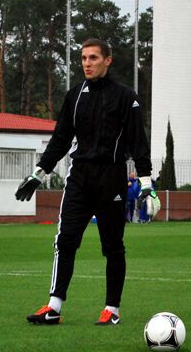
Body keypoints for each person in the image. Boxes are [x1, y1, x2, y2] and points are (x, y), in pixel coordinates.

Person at [17, 39, 161, 326]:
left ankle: (112, 309)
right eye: (83, 58)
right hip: (79, 178)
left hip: (111, 179)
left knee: (112, 247)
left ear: (108, 60)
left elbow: (138, 143)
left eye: (93, 57)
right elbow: (60, 140)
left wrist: (147, 184)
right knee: (65, 240)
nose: (87, 63)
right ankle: (54, 307)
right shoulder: (74, 96)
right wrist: (38, 174)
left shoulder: (125, 97)